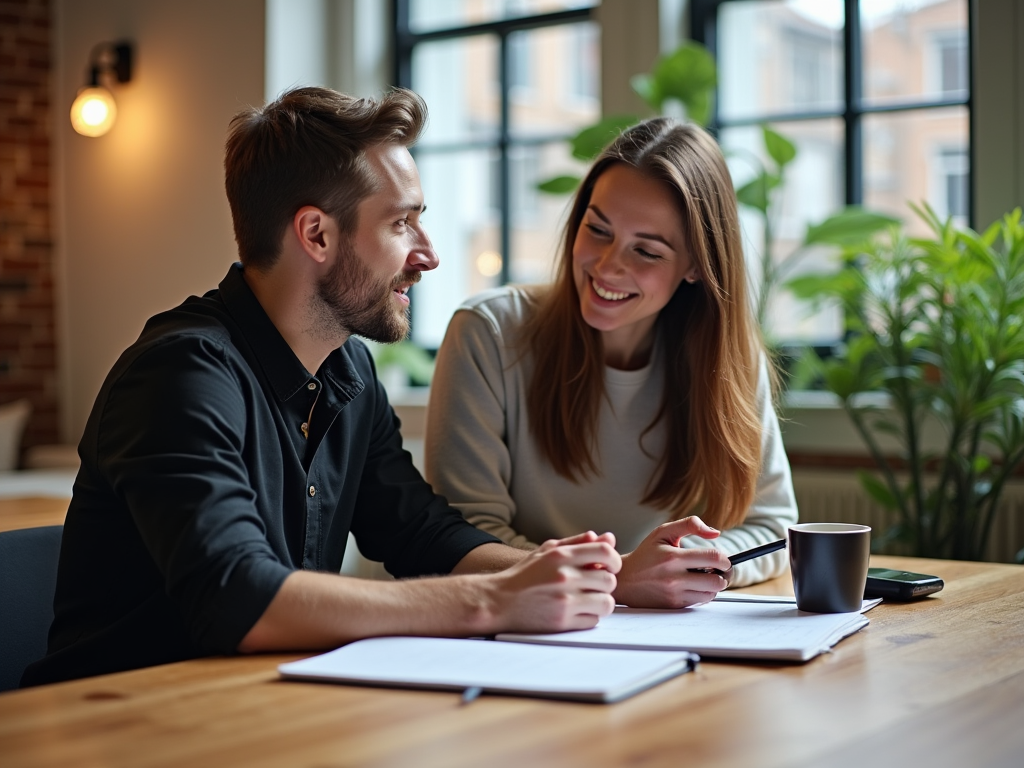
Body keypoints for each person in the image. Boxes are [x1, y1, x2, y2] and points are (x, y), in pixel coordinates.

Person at [21, 87, 620, 687]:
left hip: (257, 714)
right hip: (117, 728)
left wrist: (588, 576)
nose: (428, 255)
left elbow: (420, 532)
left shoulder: (349, 370)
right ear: (316, 235)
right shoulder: (180, 374)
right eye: (401, 223)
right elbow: (239, 598)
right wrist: (491, 601)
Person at [425, 117, 798, 609]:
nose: (607, 266)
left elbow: (772, 524)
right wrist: (619, 577)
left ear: (694, 266)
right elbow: (465, 539)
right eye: (597, 229)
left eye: (646, 250)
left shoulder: (725, 358)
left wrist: (686, 567)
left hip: (663, 637)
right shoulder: (488, 332)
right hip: (520, 625)